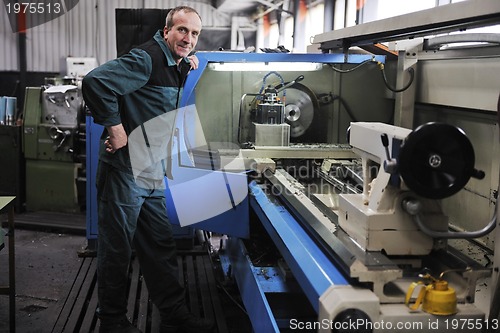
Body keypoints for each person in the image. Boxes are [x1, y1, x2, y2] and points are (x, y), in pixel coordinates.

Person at [82, 6, 214, 333]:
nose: (188, 38)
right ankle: (112, 322)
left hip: (151, 171)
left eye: (194, 34)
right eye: (182, 30)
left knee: (159, 246)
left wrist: (187, 65)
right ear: (167, 30)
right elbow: (96, 82)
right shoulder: (147, 58)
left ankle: (174, 313)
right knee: (117, 251)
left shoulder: (176, 62)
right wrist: (115, 128)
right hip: (126, 174)